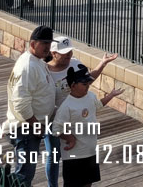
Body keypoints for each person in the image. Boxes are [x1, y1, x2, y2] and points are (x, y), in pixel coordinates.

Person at [43, 37, 118, 187]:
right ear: (54, 53)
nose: (68, 55)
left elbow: (87, 79)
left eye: (70, 52)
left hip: (76, 117)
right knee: (54, 154)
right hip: (53, 117)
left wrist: (102, 63)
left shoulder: (75, 63)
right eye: (64, 53)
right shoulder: (43, 70)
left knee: (78, 153)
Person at [54, 65, 124, 187]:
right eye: (84, 84)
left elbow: (97, 105)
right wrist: (70, 138)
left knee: (88, 183)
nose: (87, 86)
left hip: (90, 151)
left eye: (88, 83)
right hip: (74, 156)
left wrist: (111, 95)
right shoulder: (66, 107)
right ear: (73, 85)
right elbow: (56, 129)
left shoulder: (90, 96)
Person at [6, 25, 56, 187]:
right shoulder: (29, 66)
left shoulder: (34, 61)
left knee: (24, 172)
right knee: (24, 175)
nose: (48, 47)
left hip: (28, 127)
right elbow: (20, 101)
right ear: (33, 44)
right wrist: (35, 125)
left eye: (49, 43)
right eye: (44, 43)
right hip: (26, 128)